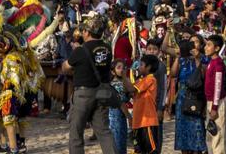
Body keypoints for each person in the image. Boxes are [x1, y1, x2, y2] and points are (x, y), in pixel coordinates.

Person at [64, 16, 119, 154]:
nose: (82, 33)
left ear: (88, 33)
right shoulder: (107, 48)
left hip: (83, 94)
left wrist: (74, 52)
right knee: (104, 132)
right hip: (102, 93)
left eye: (84, 30)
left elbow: (66, 67)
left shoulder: (81, 50)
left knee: (76, 133)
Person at [202, 34, 226, 154]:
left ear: (217, 48)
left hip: (217, 102)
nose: (205, 48)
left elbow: (218, 87)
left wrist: (214, 107)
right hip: (210, 101)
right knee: (210, 135)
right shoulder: (211, 62)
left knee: (218, 136)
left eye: (209, 45)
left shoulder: (218, 63)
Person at [130, 54, 160, 154]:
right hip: (138, 122)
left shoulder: (150, 79)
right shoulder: (141, 80)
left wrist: (124, 74)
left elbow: (131, 89)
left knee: (151, 150)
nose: (139, 67)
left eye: (141, 64)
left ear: (149, 67)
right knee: (139, 150)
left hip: (147, 122)